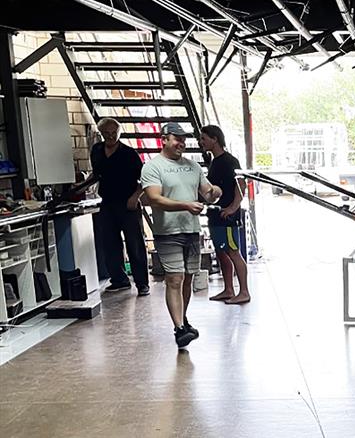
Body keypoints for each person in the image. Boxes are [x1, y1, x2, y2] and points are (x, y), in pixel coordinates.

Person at [140, 122, 221, 348]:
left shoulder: (193, 166)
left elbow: (207, 192)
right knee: (174, 279)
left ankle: (182, 320)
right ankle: (178, 329)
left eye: (183, 139)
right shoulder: (153, 167)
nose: (181, 143)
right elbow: (154, 198)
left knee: (186, 279)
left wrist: (215, 192)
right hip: (168, 232)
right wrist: (185, 205)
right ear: (163, 139)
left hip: (191, 230)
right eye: (176, 139)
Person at [90, 117, 150, 296]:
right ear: (101, 134)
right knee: (109, 244)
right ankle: (119, 280)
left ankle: (142, 284)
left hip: (127, 204)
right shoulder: (97, 150)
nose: (110, 136)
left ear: (119, 133)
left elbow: (144, 179)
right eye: (106, 133)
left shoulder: (129, 154)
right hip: (107, 203)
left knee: (135, 244)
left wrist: (135, 197)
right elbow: (97, 174)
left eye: (113, 133)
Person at [199, 125, 250, 304]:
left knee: (233, 251)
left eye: (204, 138)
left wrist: (233, 208)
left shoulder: (230, 161)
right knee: (221, 252)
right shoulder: (215, 162)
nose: (201, 142)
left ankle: (244, 291)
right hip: (215, 214)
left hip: (227, 216)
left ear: (215, 139)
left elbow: (241, 186)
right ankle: (228, 289)